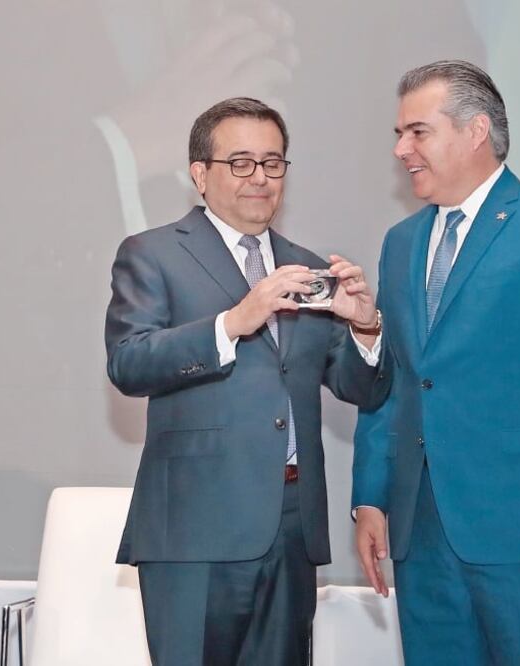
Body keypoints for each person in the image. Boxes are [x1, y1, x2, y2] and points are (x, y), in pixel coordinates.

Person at [352, 61, 520, 665]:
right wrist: (371, 496)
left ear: (475, 131)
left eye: (417, 132)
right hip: (421, 539)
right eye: (399, 134)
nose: (401, 149)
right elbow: (400, 380)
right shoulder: (400, 244)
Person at [105, 97, 390, 665]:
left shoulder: (307, 268)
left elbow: (363, 390)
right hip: (195, 529)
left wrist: (365, 326)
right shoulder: (153, 253)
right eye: (240, 163)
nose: (259, 177)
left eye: (273, 162)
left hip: (291, 524)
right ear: (199, 175)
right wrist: (233, 323)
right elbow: (128, 364)